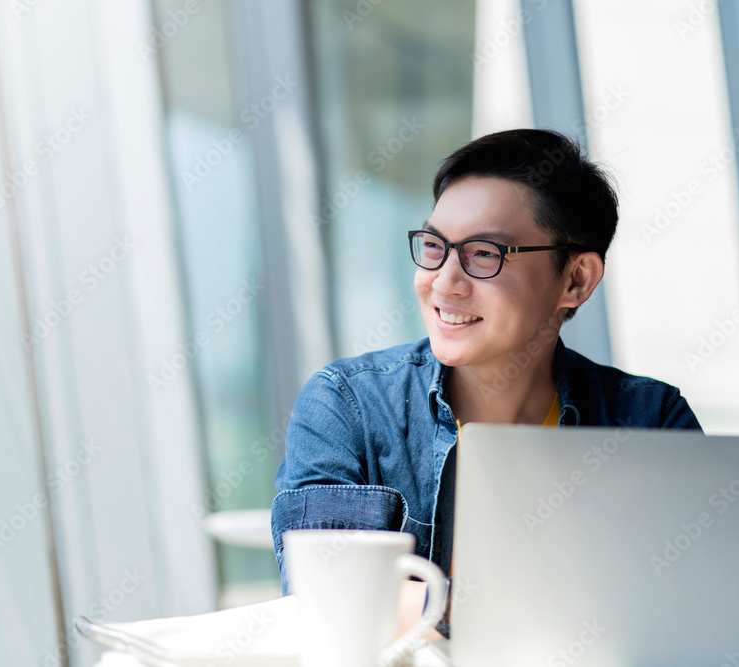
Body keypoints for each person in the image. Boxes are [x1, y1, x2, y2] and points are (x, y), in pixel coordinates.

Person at [270, 128, 702, 638]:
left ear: (575, 280)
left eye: (484, 254)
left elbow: (694, 604)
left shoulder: (649, 421)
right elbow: (333, 596)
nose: (444, 281)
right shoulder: (348, 405)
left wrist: (431, 604)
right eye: (434, 246)